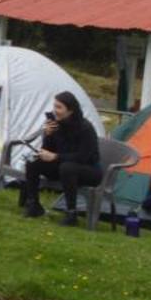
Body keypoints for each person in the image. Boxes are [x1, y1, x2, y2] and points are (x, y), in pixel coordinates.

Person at [19, 91, 103, 221]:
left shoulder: (85, 128)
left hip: (89, 170)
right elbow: (48, 150)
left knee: (67, 167)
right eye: (54, 106)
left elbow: (84, 157)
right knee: (33, 162)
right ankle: (34, 205)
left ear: (70, 111)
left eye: (59, 107)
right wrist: (48, 135)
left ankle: (71, 213)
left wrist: (56, 157)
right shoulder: (56, 124)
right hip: (63, 167)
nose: (55, 110)